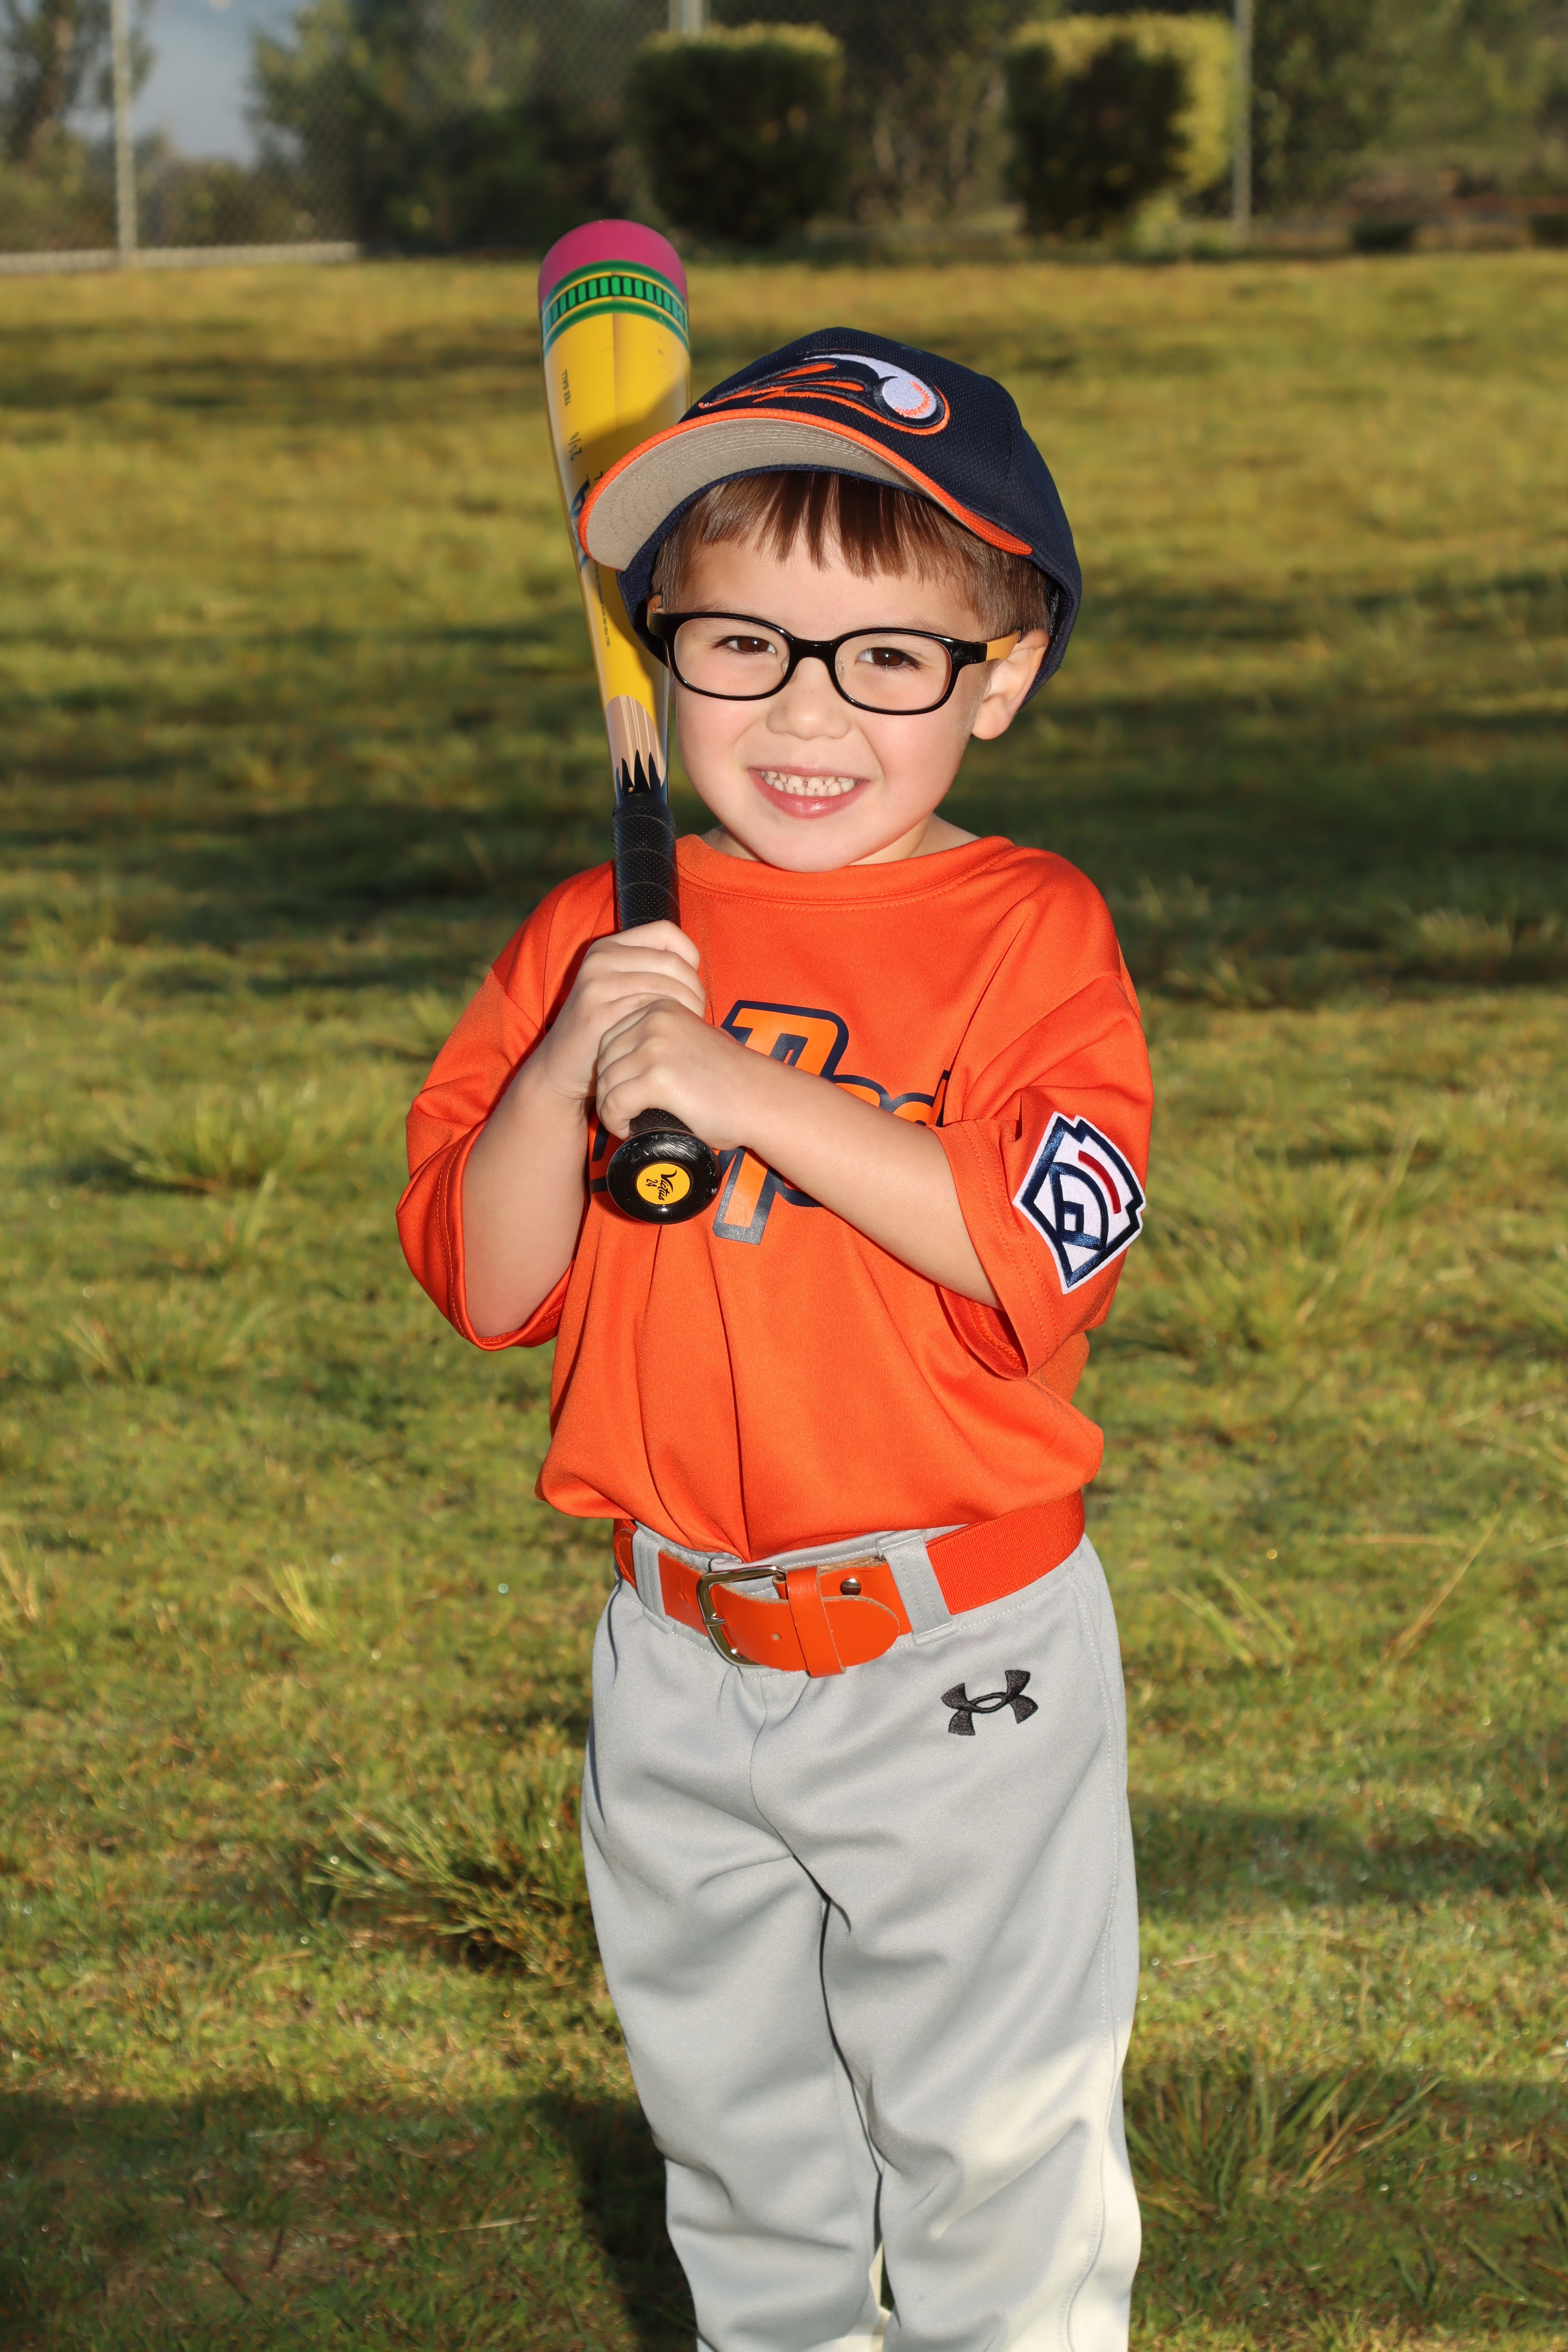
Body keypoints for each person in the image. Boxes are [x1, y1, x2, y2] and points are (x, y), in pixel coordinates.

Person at [399, 331, 1153, 2352]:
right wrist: (571, 1055)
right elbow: (487, 1283)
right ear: (659, 656)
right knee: (739, 2154)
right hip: (672, 1655)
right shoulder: (595, 934)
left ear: (998, 677)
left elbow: (1035, 1247)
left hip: (956, 1656)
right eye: (741, 644)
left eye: (886, 658)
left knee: (990, 2138)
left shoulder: (1030, 932)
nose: (806, 711)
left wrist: (743, 1089)